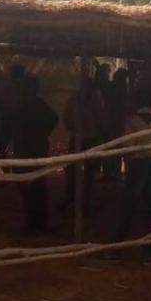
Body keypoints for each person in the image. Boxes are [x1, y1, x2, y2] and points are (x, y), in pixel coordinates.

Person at [0, 67, 58, 234]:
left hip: (30, 150)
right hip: (29, 150)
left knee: (33, 187)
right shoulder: (24, 106)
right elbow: (6, 130)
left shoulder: (27, 106)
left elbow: (6, 131)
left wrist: (39, 133)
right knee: (31, 187)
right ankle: (37, 223)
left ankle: (35, 224)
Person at [112, 88, 151, 254]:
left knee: (129, 204)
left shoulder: (132, 120)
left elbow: (128, 146)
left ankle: (117, 246)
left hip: (138, 164)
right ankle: (149, 248)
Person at [62, 72, 106, 215]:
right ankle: (71, 198)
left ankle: (84, 202)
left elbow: (99, 118)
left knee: (88, 172)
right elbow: (66, 117)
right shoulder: (73, 101)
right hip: (78, 138)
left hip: (90, 138)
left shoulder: (95, 101)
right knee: (72, 170)